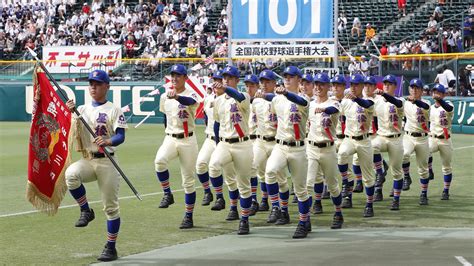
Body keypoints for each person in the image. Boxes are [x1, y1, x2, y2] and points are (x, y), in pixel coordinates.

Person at [65, 70, 128, 262]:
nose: (93, 87)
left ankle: (111, 247)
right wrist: (70, 111)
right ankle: (85, 210)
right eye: (91, 84)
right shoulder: (81, 109)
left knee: (111, 208)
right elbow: (71, 128)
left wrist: (108, 141)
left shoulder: (114, 109)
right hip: (89, 159)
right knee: (71, 175)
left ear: (107, 87)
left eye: (98, 84)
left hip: (108, 162)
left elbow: (121, 136)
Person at [265, 66, 312, 238]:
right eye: (285, 76)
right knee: (270, 171)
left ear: (299, 80)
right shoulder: (277, 100)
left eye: (291, 77)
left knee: (301, 190)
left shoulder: (304, 98)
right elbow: (274, 113)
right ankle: (277, 207)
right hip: (280, 145)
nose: (287, 79)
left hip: (299, 148)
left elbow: (298, 101)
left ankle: (303, 221)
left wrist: (284, 93)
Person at [209, 65, 254, 235]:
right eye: (224, 77)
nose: (226, 80)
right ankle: (220, 197)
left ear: (237, 80)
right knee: (213, 166)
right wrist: (217, 142)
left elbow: (237, 95)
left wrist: (225, 88)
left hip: (243, 144)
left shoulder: (244, 96)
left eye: (230, 78)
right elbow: (216, 123)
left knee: (244, 184)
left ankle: (244, 219)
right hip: (225, 143)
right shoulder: (219, 101)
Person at [154, 64, 200, 229]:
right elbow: (165, 117)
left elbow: (191, 101)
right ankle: (167, 194)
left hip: (188, 140)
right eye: (172, 75)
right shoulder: (164, 96)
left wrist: (177, 98)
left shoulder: (190, 93)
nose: (174, 78)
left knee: (188, 180)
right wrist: (167, 132)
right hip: (171, 137)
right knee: (159, 161)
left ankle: (188, 216)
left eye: (178, 75)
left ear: (185, 78)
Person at [306, 73, 344, 229]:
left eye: (322, 84)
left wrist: (323, 109)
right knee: (308, 183)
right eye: (316, 84)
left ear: (328, 86)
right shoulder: (310, 104)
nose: (318, 87)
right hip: (311, 147)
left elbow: (333, 110)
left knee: (333, 185)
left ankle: (338, 212)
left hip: (328, 148)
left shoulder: (334, 102)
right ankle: (305, 218)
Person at [337, 74, 376, 218]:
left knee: (368, 177)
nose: (353, 87)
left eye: (356, 84)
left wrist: (356, 99)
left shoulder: (369, 100)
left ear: (362, 86)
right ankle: (348, 181)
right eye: (351, 84)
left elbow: (366, 105)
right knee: (341, 154)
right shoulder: (346, 102)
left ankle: (369, 204)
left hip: (364, 140)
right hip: (349, 139)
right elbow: (336, 112)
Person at [371, 75, 405, 210]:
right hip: (382, 136)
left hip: (396, 138)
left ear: (395, 86)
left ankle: (396, 199)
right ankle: (380, 172)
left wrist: (384, 94)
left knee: (396, 172)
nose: (386, 85)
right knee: (372, 147)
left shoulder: (400, 100)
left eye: (389, 84)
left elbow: (396, 103)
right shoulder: (377, 101)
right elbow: (373, 118)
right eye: (385, 83)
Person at [251, 70, 282, 216]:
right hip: (260, 140)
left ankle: (281, 207)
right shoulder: (256, 101)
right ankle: (260, 200)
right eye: (262, 81)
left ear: (274, 83)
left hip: (277, 142)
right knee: (256, 169)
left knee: (279, 176)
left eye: (267, 81)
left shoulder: (280, 98)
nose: (264, 84)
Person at [402, 78, 431, 205]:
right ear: (409, 89)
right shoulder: (405, 102)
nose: (414, 90)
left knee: (423, 169)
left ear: (421, 91)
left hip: (423, 138)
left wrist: (416, 101)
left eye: (417, 88)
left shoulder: (426, 102)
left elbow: (424, 106)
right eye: (412, 87)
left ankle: (424, 194)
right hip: (408, 136)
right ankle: (407, 176)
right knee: (404, 155)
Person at [428, 84, 454, 200]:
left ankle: (446, 190)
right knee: (425, 151)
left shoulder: (449, 105)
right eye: (434, 91)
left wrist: (440, 100)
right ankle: (429, 170)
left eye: (438, 92)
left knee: (446, 167)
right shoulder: (430, 107)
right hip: (433, 138)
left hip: (445, 139)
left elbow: (448, 109)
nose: (436, 93)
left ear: (443, 94)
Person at [243, 74, 260, 215]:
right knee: (249, 171)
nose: (249, 88)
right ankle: (253, 199)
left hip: (259, 139)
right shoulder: (241, 101)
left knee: (261, 171)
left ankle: (261, 199)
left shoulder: (262, 101)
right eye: (247, 85)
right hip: (245, 140)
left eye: (252, 85)